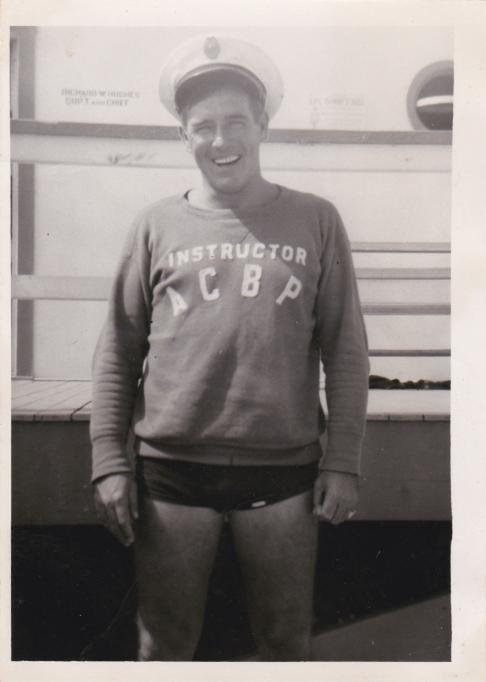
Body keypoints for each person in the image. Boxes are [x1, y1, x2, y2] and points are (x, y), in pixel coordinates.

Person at [90, 34, 369, 662]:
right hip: (172, 466)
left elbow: (346, 350)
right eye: (204, 127)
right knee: (164, 642)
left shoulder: (317, 219)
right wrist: (108, 460)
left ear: (263, 125)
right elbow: (118, 350)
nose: (222, 141)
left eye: (236, 122)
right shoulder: (155, 225)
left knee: (283, 640)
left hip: (283, 466)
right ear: (182, 136)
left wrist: (343, 461)